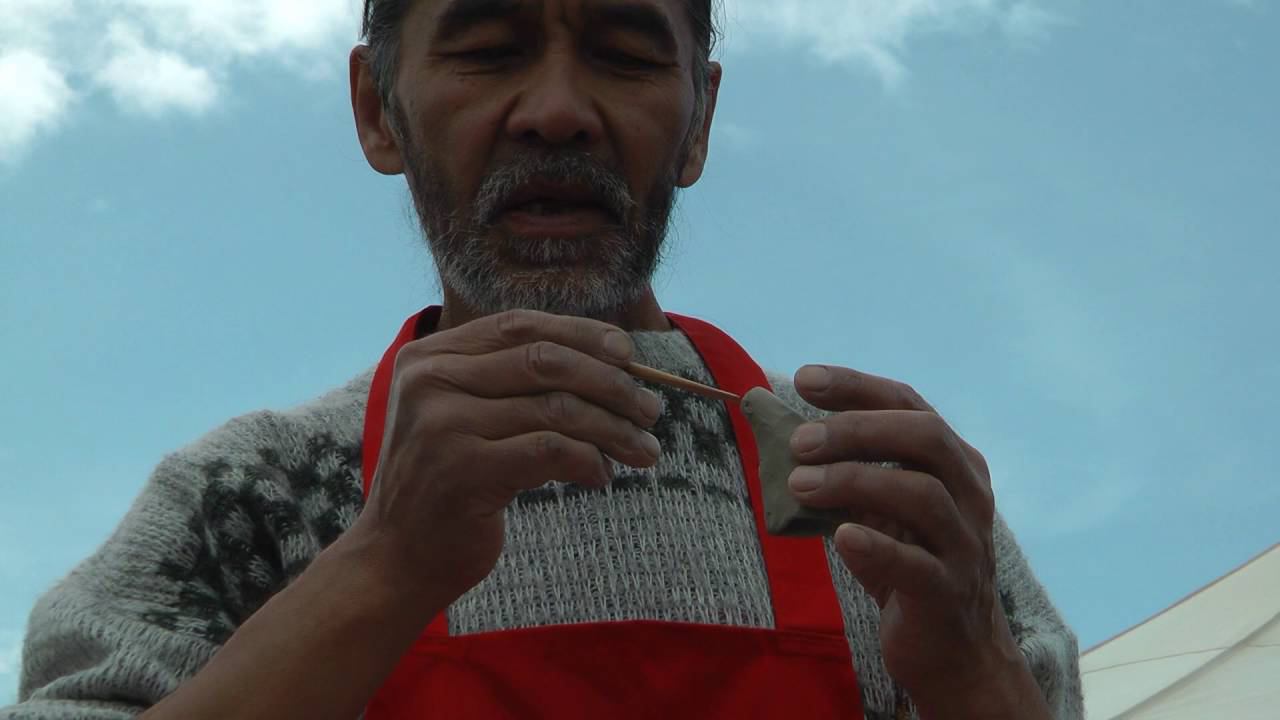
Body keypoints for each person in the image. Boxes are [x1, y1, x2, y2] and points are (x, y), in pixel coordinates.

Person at [2, 1, 1084, 718]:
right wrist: (381, 566)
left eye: (621, 54)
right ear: (378, 110)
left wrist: (974, 676)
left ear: (699, 121)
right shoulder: (246, 498)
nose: (558, 112)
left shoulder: (881, 501)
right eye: (487, 49)